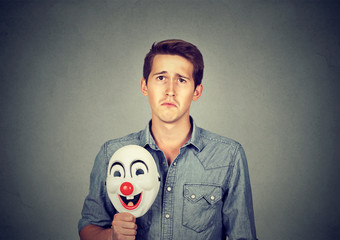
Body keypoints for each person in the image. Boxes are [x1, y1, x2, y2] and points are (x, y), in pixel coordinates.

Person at [78, 39, 257, 240]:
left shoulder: (229, 156)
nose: (170, 90)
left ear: (196, 91)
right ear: (144, 86)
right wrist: (112, 235)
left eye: (181, 80)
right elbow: (88, 228)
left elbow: (243, 236)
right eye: (161, 77)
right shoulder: (111, 153)